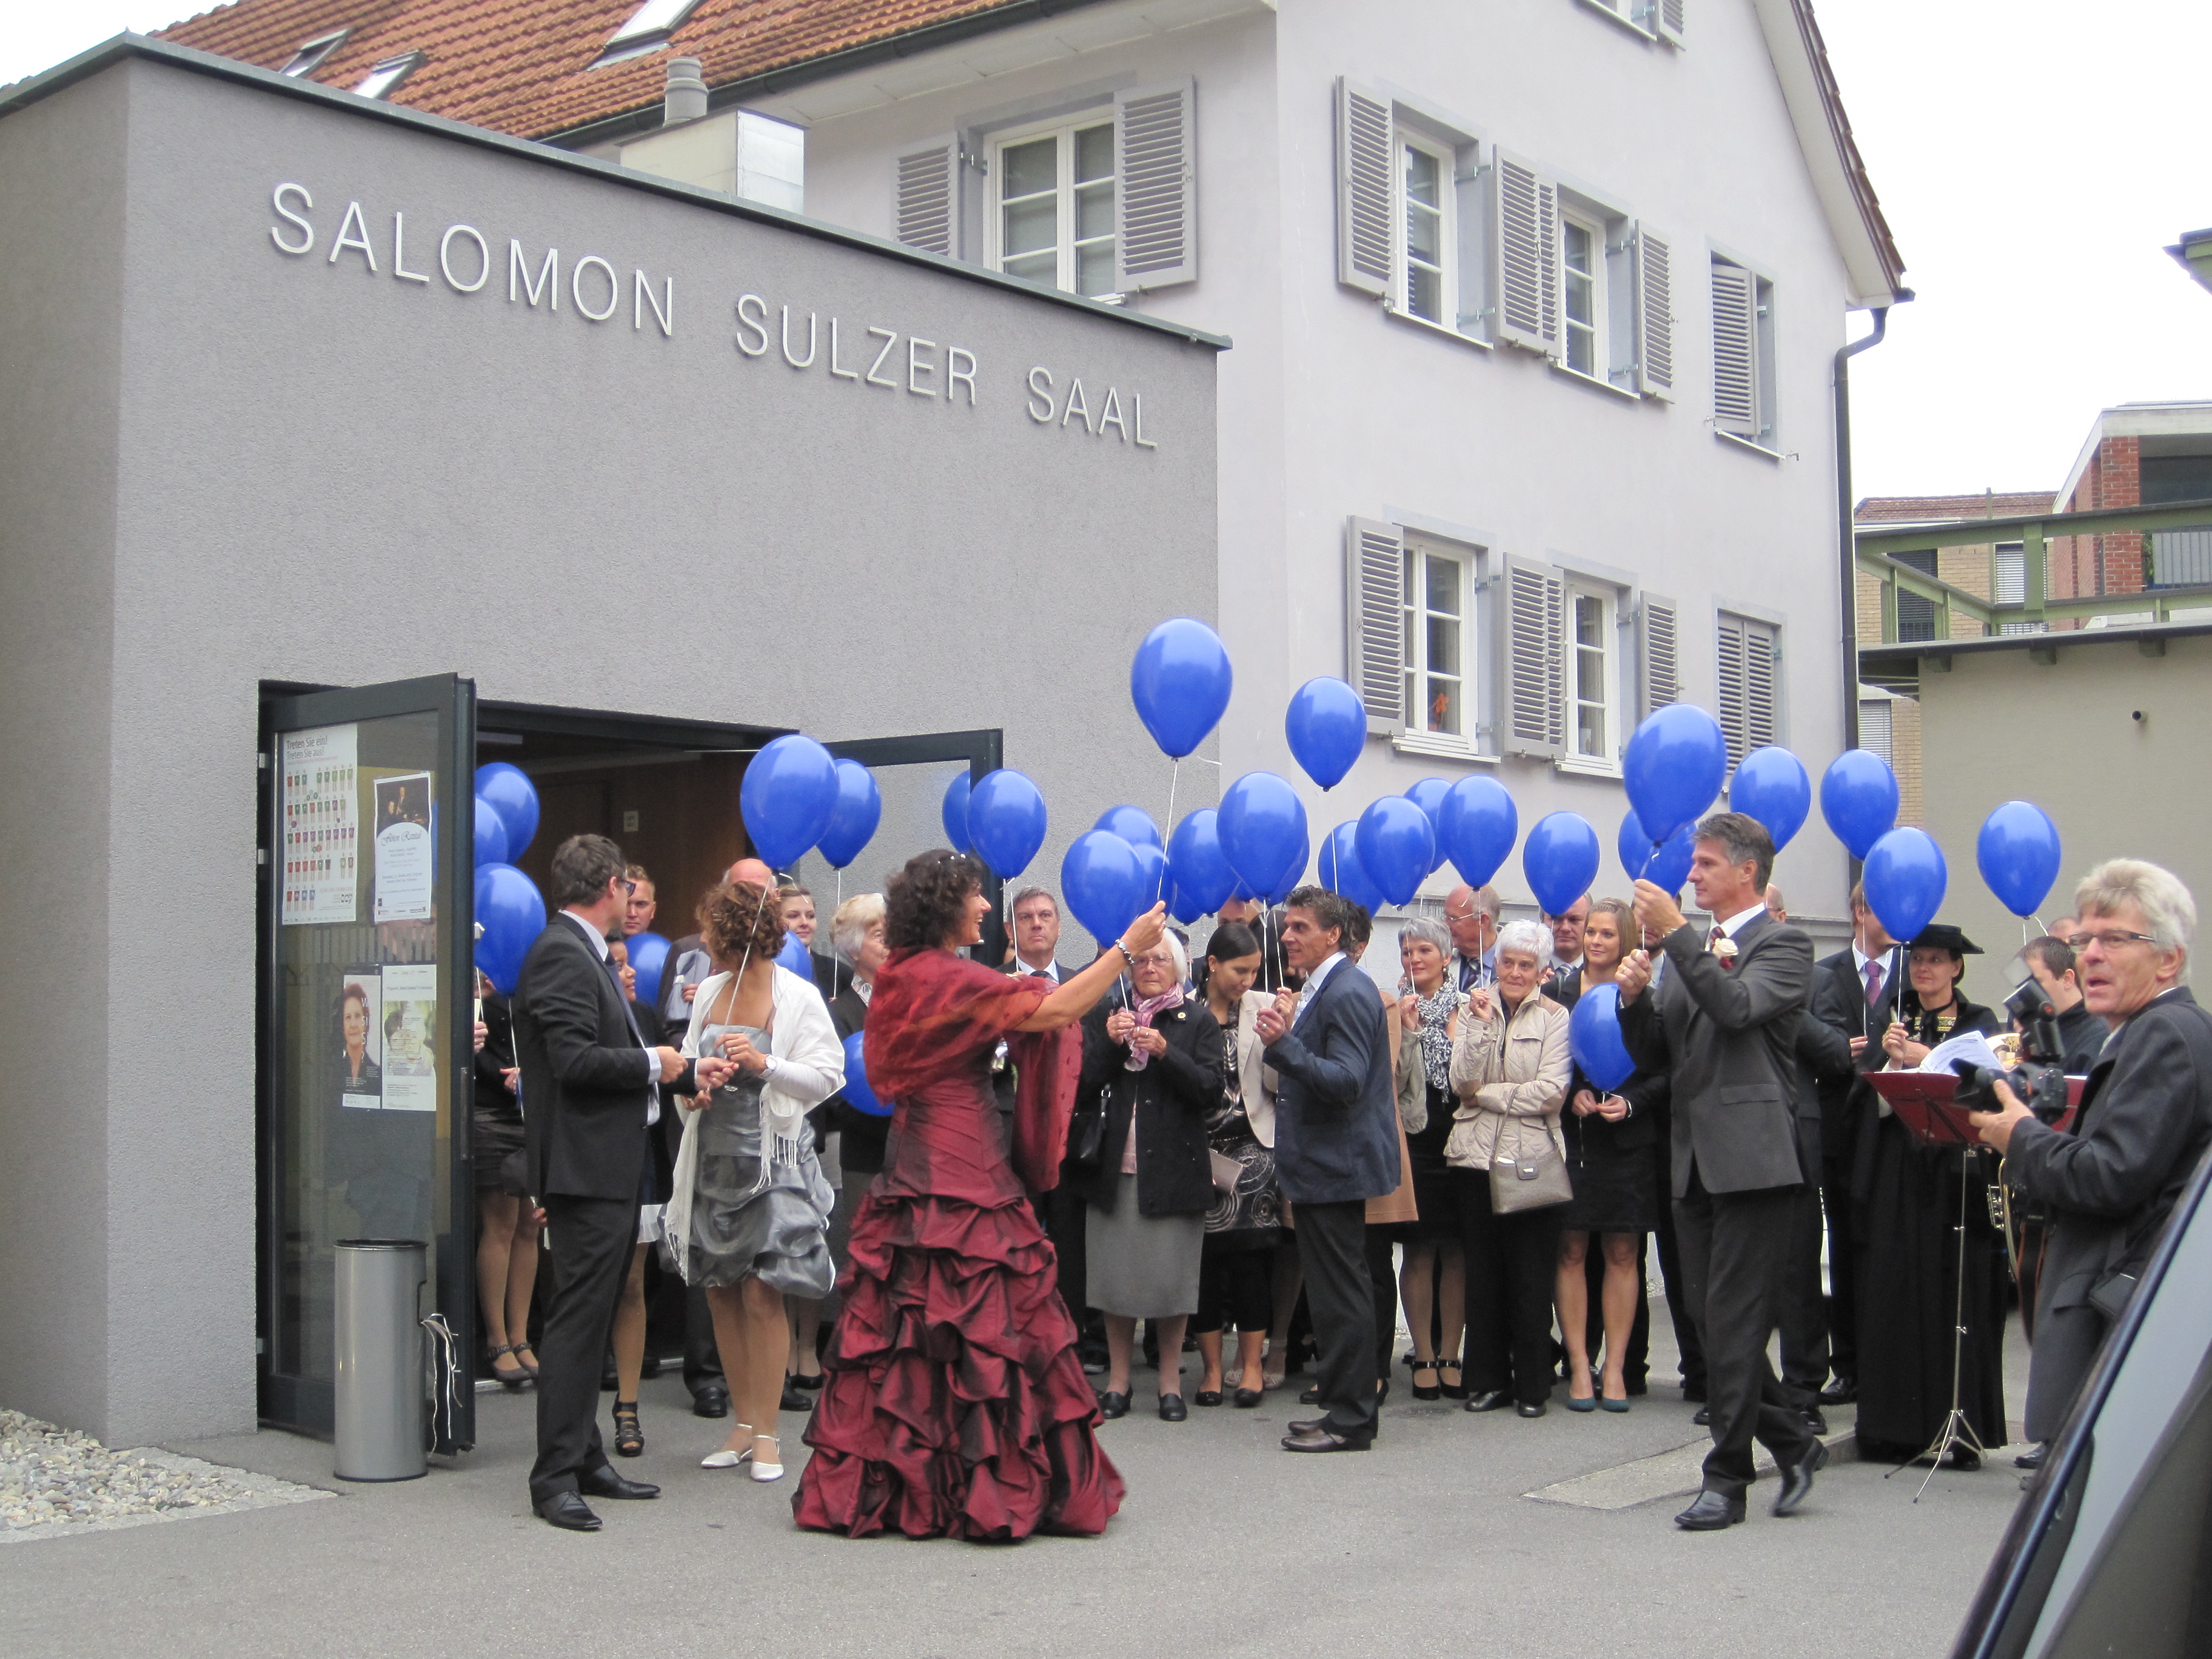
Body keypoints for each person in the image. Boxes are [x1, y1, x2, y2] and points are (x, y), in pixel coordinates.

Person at [794, 852, 1167, 1540]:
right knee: (986, 1312)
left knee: (910, 1318)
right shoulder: (953, 977)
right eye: (976, 896)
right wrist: (1124, 948)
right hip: (964, 1159)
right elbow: (1057, 1008)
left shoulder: (902, 971)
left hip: (913, 1153)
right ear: (947, 906)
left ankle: (910, 1480)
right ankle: (986, 1484)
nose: (988, 907)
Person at [511, 834, 732, 1533]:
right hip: (583, 1171)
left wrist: (683, 1072)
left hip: (606, 1164)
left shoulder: (586, 952)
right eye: (628, 890)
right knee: (578, 1323)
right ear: (611, 887)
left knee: (593, 1315)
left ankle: (585, 1459)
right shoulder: (561, 953)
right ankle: (554, 1477)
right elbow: (575, 1061)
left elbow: (615, 1052)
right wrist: (657, 1064)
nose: (632, 900)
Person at [1615, 811, 1822, 1530]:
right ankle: (1792, 1440)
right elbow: (1660, 1054)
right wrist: (1635, 1001)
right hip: (1693, 1160)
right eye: (1694, 863)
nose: (1693, 874)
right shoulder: (1693, 948)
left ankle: (1728, 1477)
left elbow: (1737, 1010)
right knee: (1709, 1322)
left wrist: (1674, 933)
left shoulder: (1786, 944)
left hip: (1755, 1160)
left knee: (1733, 1323)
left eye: (1706, 864)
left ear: (1747, 871)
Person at [1969, 860, 2212, 1458]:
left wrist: (2020, 1137)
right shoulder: (2153, 1031)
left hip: (2119, 1327)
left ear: (2169, 959)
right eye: (2084, 941)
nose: (2091, 956)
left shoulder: (2163, 1034)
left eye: (2115, 940)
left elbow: (2109, 1177)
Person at [671, 879, 843, 1483]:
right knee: (720, 1290)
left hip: (772, 1161)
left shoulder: (797, 995)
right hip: (714, 1159)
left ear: (733, 935)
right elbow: (688, 1062)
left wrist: (763, 1063)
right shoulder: (708, 991)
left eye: (710, 931)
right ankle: (742, 1424)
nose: (703, 942)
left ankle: (768, 1433)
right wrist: (693, 1089)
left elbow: (828, 1076)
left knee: (762, 1292)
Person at [1254, 886, 1401, 1453]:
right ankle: (1341, 1406)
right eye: (1287, 926)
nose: (1287, 936)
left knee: (1343, 1296)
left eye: (1300, 927)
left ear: (1333, 934)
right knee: (1333, 1295)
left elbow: (1346, 1082)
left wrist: (1284, 1045)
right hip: (1323, 1166)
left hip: (1337, 1166)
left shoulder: (1348, 992)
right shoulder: (1326, 987)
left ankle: (1352, 1420)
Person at [1071, 931, 1222, 1422]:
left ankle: (1170, 1384)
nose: (1151, 967)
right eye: (1142, 960)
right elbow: (1081, 1085)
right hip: (1114, 1169)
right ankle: (1118, 1382)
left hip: (1174, 1171)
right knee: (1115, 1282)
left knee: (1170, 1283)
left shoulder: (1197, 1020)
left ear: (1179, 967)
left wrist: (1165, 1052)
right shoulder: (1109, 1013)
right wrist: (1112, 1046)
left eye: (1161, 960)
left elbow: (1211, 1091)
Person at [1447, 919, 1571, 1419]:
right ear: (1495, 963)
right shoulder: (1472, 1008)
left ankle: (1533, 1386)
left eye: (1526, 965)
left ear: (1542, 972)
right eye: (1508, 962)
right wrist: (1479, 1028)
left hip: (1531, 1159)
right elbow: (1461, 1084)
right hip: (1474, 1158)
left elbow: (1551, 1093)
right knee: (1484, 1276)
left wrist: (1489, 1096)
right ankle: (1488, 1380)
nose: (1516, 973)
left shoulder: (1556, 1017)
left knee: (1530, 1276)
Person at [1547, 899, 1666, 1412]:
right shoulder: (1556, 992)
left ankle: (1615, 1368)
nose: (1595, 941)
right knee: (1570, 1251)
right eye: (1590, 932)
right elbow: (1545, 1061)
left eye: (1607, 934)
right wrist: (1569, 1092)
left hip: (1627, 1139)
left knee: (1622, 1253)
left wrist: (1632, 1102)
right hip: (1572, 1139)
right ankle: (1578, 1364)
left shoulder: (1646, 999)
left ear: (1627, 942)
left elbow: (1666, 1072)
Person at [1805, 880, 1902, 1408]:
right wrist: (1840, 1050)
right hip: (1841, 1131)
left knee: (1889, 1250)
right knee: (1843, 1249)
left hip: (1895, 1133)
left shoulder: (1913, 973)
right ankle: (1847, 1366)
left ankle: (1890, 1364)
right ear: (1860, 911)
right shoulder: (1826, 974)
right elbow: (1816, 1047)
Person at [1191, 922, 1279, 1408]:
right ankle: (1210, 1369)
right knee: (1203, 1264)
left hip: (1253, 1151)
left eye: (1254, 972)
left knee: (1251, 1263)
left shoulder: (1264, 1007)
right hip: (1198, 1151)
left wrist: (1281, 1038)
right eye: (1239, 971)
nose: (1248, 981)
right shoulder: (1185, 1009)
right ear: (1213, 965)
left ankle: (1251, 1367)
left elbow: (1278, 1085)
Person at [604, 934, 676, 1457]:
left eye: (629, 964)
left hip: (642, 1157)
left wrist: (694, 1081)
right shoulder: (582, 1016)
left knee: (633, 1282)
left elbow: (668, 1077)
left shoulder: (646, 1016)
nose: (629, 973)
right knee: (587, 1287)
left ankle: (627, 1408)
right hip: (592, 1162)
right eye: (616, 966)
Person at [1392, 918, 1467, 1401]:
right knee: (1419, 1250)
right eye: (1407, 952)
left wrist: (1454, 1034)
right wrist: (1408, 1032)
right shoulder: (1394, 1009)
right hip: (1416, 1139)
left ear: (1446, 957)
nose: (1414, 959)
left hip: (1461, 1138)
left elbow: (1474, 1072)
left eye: (1423, 950)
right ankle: (1422, 1353)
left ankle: (1451, 1353)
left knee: (1457, 1251)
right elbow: (1394, 1081)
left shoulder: (1469, 1006)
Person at [473, 969, 539, 1389]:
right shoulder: (469, 985)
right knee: (501, 1224)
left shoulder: (529, 984)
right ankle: (496, 1338)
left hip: (531, 1110)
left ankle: (521, 1334)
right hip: (490, 1112)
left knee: (530, 1226)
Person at [2019, 934, 2110, 1074]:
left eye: (2036, 983)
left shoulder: (2098, 1038)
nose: (2025, 994)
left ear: (2067, 979)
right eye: (2021, 987)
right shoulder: (2040, 1032)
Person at [1008, 886, 1074, 980]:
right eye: (1026, 917)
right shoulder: (994, 984)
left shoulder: (1081, 983)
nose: (1036, 924)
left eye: (1045, 915)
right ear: (1010, 930)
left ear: (1058, 926)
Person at [1443, 883, 1500, 991]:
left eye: (1453, 918)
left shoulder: (1514, 964)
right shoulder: (1440, 962)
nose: (1445, 924)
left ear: (1483, 921)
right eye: (1446, 917)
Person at [1545, 894, 1591, 975]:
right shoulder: (1526, 970)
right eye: (1556, 919)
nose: (1565, 928)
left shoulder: (1606, 973)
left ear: (1590, 923)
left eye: (1574, 920)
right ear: (1542, 921)